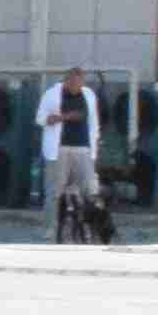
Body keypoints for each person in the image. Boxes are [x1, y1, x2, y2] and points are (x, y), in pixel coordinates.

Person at [40, 68, 109, 241]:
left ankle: (92, 229)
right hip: (59, 149)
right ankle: (50, 229)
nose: (75, 87)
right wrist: (65, 117)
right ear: (66, 81)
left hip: (83, 149)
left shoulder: (89, 95)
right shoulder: (52, 94)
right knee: (54, 192)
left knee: (90, 190)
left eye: (79, 83)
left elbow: (94, 122)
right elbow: (41, 119)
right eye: (72, 83)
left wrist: (95, 145)